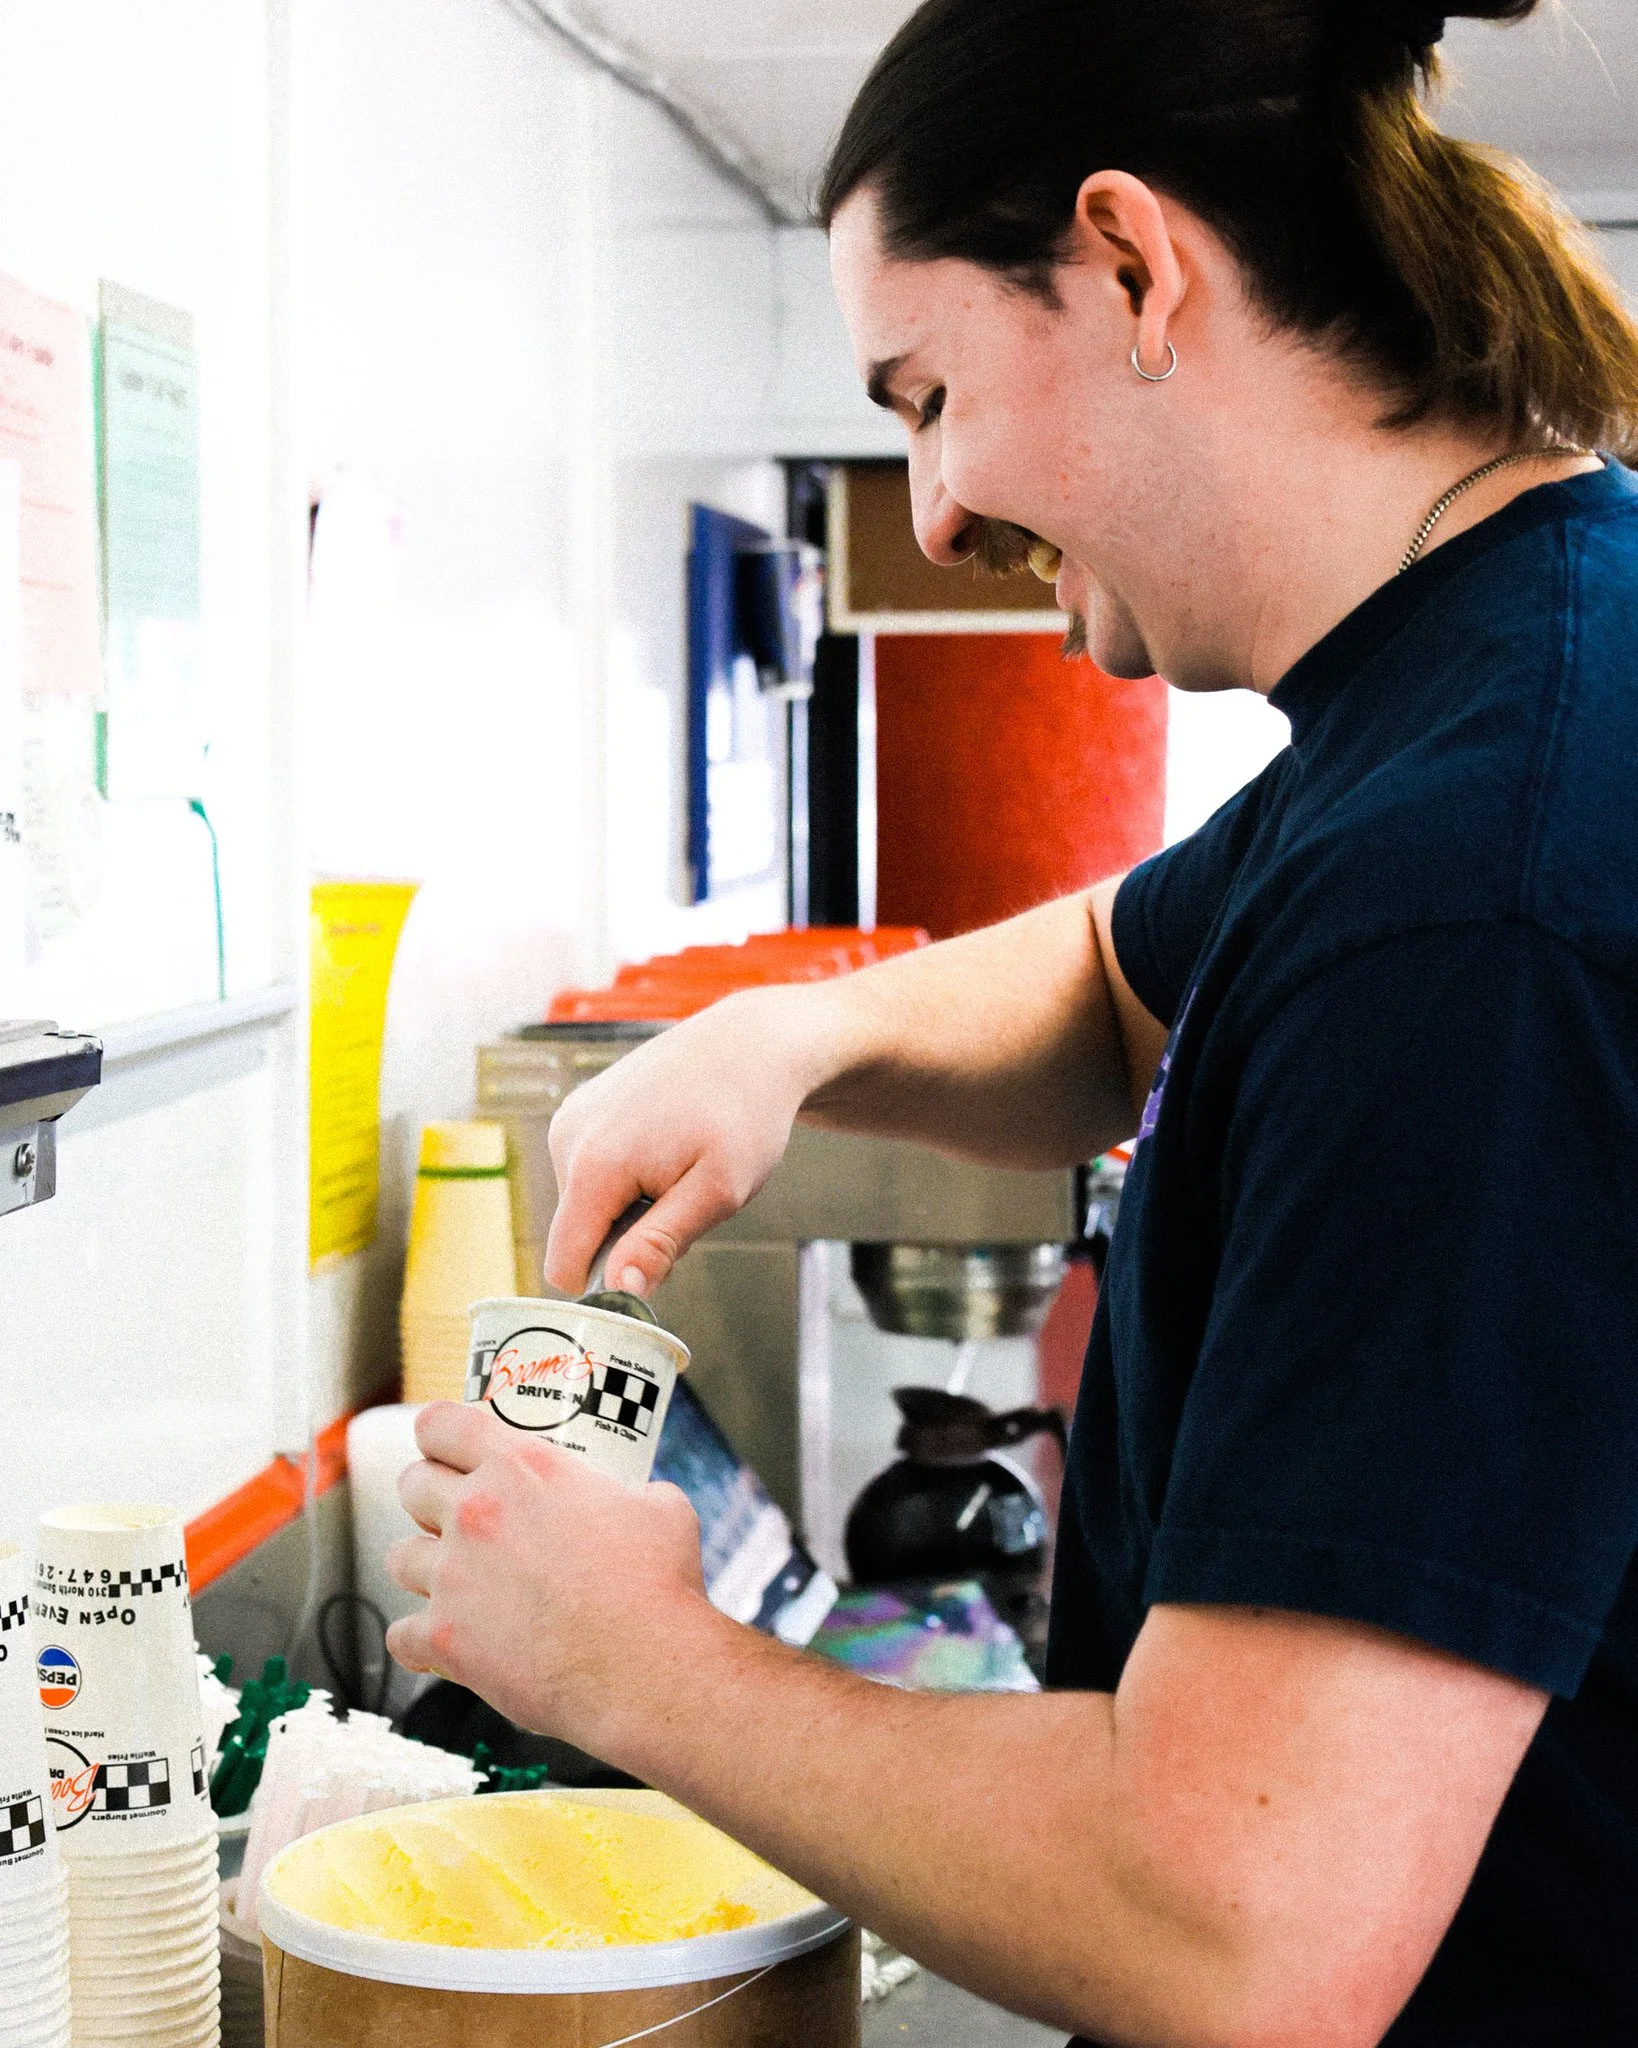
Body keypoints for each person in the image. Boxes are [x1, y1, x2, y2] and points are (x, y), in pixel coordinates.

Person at [386, 3, 1638, 2041]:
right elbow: (1116, 980)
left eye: (929, 395)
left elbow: (1237, 1934)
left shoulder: (1473, 895)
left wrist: (631, 1662)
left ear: (1133, 268)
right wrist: (787, 1040)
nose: (938, 515)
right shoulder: (1485, 678)